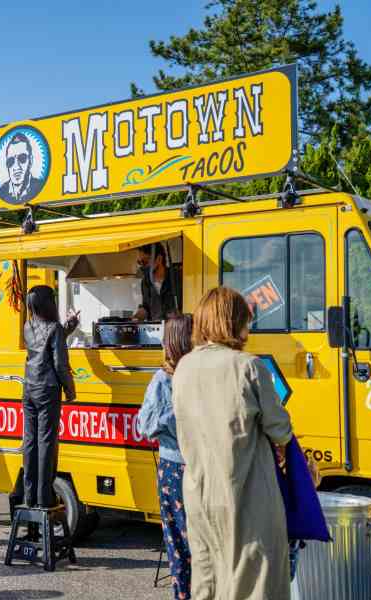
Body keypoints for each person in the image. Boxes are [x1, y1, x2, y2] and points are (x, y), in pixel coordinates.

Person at [172, 287, 294, 600]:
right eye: (246, 321)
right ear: (233, 321)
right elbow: (280, 430)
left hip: (198, 491)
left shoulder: (183, 367)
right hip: (247, 491)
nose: (249, 329)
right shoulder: (249, 367)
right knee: (255, 579)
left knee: (208, 577)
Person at [138, 314, 194, 600]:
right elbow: (145, 426)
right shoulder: (173, 379)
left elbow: (144, 426)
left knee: (183, 545)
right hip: (189, 467)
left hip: (179, 468)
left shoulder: (169, 378)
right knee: (192, 544)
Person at [21, 285, 76, 508]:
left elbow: (45, 342)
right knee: (47, 443)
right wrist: (70, 390)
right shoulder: (54, 328)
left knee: (31, 442)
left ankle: (30, 496)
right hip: (48, 389)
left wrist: (68, 328)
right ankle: (45, 498)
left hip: (29, 388)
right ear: (49, 303)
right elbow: (60, 365)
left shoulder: (28, 325)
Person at [134, 243, 182, 322]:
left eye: (145, 262)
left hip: (176, 329)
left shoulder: (177, 277)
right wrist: (136, 317)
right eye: (139, 263)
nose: (142, 266)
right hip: (155, 332)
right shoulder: (146, 282)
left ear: (159, 259)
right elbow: (146, 307)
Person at [0, 133, 44, 204]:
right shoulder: (0, 193)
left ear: (30, 161)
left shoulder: (40, 187)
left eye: (22, 158)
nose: (16, 167)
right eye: (11, 161)